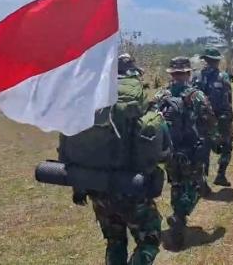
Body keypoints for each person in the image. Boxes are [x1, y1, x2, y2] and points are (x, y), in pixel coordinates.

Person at [70, 53, 168, 265]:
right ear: (133, 72)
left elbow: (79, 144)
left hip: (98, 189)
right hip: (130, 187)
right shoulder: (136, 99)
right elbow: (159, 146)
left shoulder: (94, 99)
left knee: (114, 241)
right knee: (149, 240)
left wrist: (80, 186)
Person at [154, 57, 219, 249]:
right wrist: (215, 140)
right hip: (191, 149)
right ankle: (180, 215)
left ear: (172, 74)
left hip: (168, 151)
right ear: (188, 73)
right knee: (197, 185)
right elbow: (209, 118)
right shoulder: (195, 95)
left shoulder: (161, 95)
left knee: (176, 183)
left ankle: (177, 214)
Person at [192, 48, 233, 187]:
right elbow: (228, 100)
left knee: (203, 149)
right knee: (227, 145)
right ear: (217, 61)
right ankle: (220, 175)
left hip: (201, 119)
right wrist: (230, 119)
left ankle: (202, 181)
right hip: (220, 118)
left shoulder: (196, 76)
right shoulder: (223, 77)